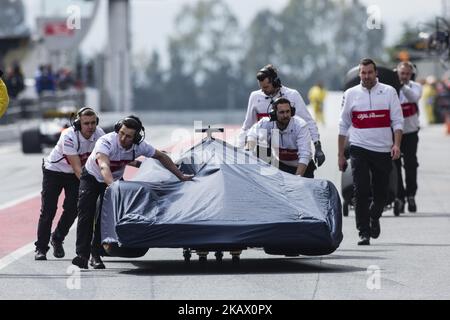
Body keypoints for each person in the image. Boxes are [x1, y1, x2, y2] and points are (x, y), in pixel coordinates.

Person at [72, 115, 193, 269]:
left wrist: (180, 176)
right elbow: (103, 166)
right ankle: (82, 255)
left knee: (104, 217)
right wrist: (113, 186)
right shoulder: (106, 142)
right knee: (86, 213)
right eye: (121, 133)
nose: (123, 138)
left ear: (136, 138)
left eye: (128, 136)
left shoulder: (140, 146)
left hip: (114, 180)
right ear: (117, 130)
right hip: (92, 177)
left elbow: (161, 156)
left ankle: (96, 255)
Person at [338, 58, 403, 246]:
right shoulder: (351, 94)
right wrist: (340, 154)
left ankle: (375, 216)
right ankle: (363, 232)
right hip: (359, 148)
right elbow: (343, 125)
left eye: (370, 72)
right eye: (363, 73)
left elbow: (397, 122)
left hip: (383, 149)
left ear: (376, 74)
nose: (366, 76)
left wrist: (396, 145)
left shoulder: (388, 92)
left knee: (381, 194)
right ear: (359, 74)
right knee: (361, 190)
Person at [34, 107, 105, 260]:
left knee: (73, 209)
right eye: (86, 123)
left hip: (73, 175)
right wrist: (91, 186)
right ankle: (41, 248)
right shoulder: (68, 135)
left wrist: (135, 162)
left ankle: (57, 238)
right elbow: (77, 167)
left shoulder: (99, 134)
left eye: (93, 123)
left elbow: (108, 154)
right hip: (54, 172)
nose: (90, 127)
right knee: (48, 210)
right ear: (79, 124)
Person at [237, 64, 325, 178]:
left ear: (275, 82)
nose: (263, 91)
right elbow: (248, 127)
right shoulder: (255, 97)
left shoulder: (292, 95)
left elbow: (308, 122)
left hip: (295, 151)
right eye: (261, 88)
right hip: (272, 153)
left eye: (266, 87)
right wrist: (240, 151)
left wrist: (317, 146)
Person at [246, 97, 312, 176]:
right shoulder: (266, 123)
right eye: (281, 112)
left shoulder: (300, 126)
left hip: (302, 167)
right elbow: (252, 135)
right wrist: (247, 152)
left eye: (288, 111)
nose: (285, 115)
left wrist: (297, 179)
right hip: (281, 167)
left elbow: (305, 155)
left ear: (292, 112)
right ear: (274, 114)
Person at [394, 62, 423, 213]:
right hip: (394, 134)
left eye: (407, 74)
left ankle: (411, 194)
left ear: (411, 74)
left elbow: (414, 98)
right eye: (401, 73)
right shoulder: (390, 88)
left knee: (411, 164)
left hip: (411, 132)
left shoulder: (415, 86)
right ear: (396, 73)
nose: (404, 76)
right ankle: (400, 196)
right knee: (395, 165)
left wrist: (402, 86)